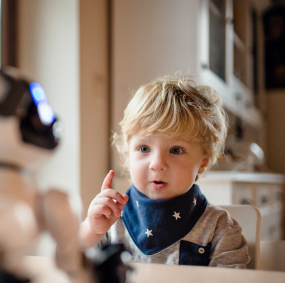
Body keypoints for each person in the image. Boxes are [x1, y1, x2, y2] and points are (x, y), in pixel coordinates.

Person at [80, 76, 250, 267]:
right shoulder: (110, 220)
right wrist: (91, 230)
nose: (157, 164)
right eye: (144, 149)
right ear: (128, 155)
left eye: (176, 150)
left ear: (202, 162)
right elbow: (69, 264)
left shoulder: (220, 229)